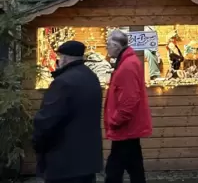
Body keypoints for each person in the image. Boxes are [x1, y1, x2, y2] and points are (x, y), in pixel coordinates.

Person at [33, 41, 103, 183]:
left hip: (64, 161)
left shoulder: (63, 82)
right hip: (87, 160)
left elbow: (47, 120)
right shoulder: (91, 77)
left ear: (64, 58)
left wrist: (37, 142)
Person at [104, 30, 152, 183]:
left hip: (125, 126)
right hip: (128, 126)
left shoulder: (127, 66)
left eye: (108, 45)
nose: (107, 49)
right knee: (134, 166)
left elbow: (129, 99)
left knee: (114, 169)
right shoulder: (127, 62)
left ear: (116, 46)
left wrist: (116, 120)